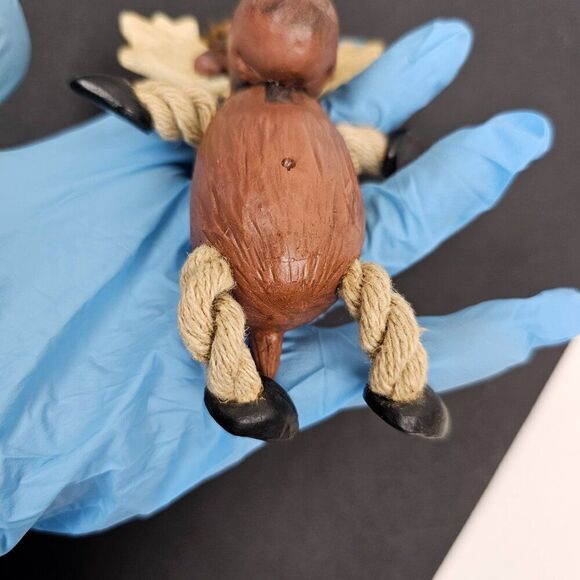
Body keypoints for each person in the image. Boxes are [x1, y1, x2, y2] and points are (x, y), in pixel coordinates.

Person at [0, 0, 578, 555]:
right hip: (237, 254)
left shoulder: (308, 124)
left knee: (364, 287)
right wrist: (137, 102)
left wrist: (388, 153)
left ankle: (398, 389)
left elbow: (355, 147)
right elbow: (180, 113)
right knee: (212, 281)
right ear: (224, 58)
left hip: (329, 257)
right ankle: (240, 395)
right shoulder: (224, 116)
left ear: (326, 69)